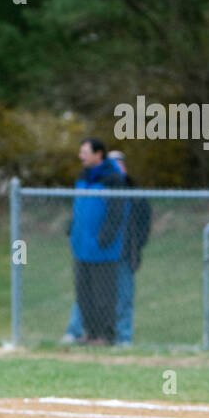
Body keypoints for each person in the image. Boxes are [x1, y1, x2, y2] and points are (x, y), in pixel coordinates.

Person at [68, 138, 127, 345]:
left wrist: (104, 238)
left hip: (103, 250)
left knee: (104, 296)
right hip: (81, 247)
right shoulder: (84, 176)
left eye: (85, 152)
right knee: (85, 296)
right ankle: (90, 333)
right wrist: (71, 230)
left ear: (98, 154)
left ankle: (105, 335)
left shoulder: (113, 179)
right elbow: (78, 207)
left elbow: (117, 213)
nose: (81, 156)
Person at [111, 151, 151, 347]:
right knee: (93, 298)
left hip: (126, 254)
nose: (117, 169)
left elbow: (144, 223)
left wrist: (137, 245)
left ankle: (123, 338)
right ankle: (92, 336)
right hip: (100, 256)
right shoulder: (99, 189)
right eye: (112, 164)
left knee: (125, 298)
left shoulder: (135, 193)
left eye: (120, 164)